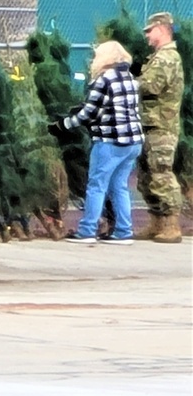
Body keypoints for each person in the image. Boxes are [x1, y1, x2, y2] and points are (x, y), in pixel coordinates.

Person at [49, 41, 144, 245]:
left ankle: (87, 230)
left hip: (111, 141)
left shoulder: (105, 79)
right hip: (133, 141)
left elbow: (89, 113)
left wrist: (63, 124)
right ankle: (123, 231)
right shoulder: (131, 79)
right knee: (119, 186)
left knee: (96, 185)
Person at [136, 12, 185, 243]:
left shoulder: (167, 58)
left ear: (162, 29)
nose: (146, 35)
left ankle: (172, 224)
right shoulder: (158, 57)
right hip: (150, 124)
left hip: (161, 127)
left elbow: (151, 86)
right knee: (147, 176)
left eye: (150, 30)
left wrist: (126, 84)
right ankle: (156, 222)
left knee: (161, 174)